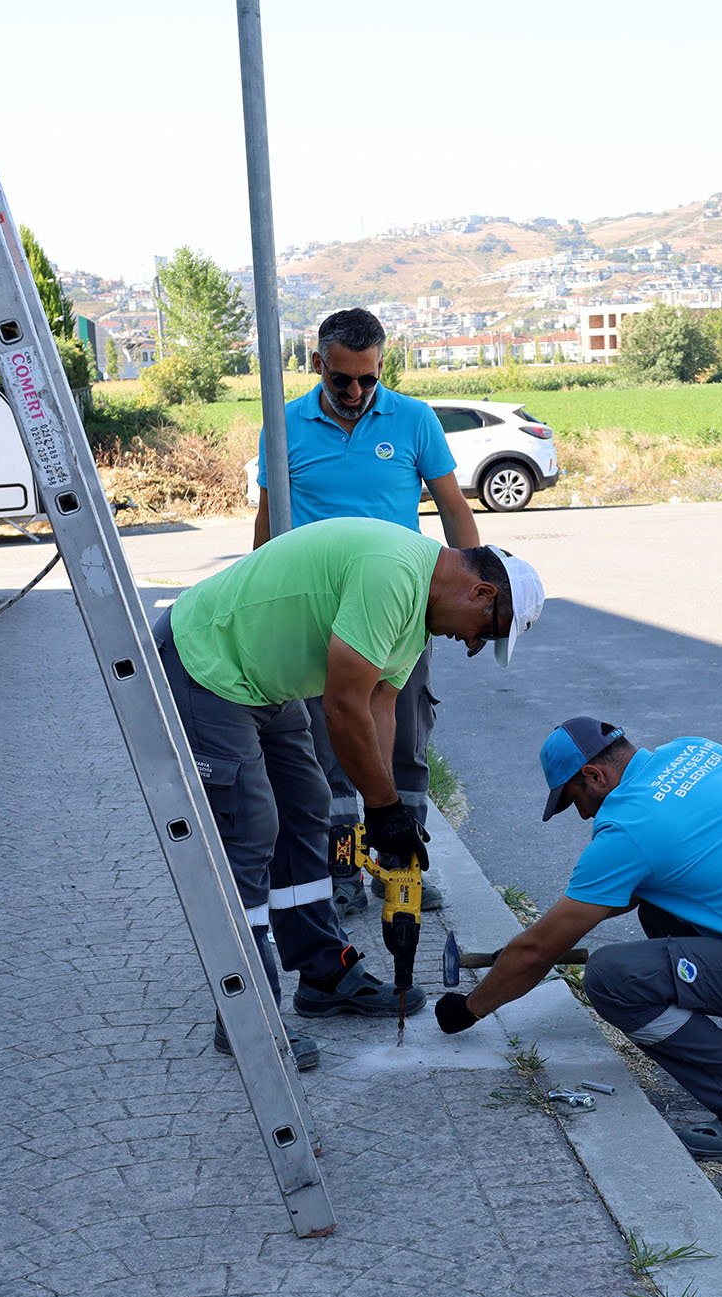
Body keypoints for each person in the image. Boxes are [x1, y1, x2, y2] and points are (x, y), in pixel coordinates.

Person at [155, 516, 543, 1062]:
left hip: (262, 682)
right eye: (486, 632)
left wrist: (386, 812)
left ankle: (323, 974)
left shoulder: (416, 615)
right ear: (482, 592)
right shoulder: (392, 574)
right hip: (206, 662)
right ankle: (246, 1016)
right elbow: (342, 706)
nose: (472, 643)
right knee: (250, 830)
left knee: (307, 810)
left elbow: (379, 706)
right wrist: (382, 807)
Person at [436, 718, 722, 1162]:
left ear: (594, 775)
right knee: (661, 910)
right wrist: (560, 930)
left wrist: (469, 1009)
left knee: (613, 979)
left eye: (574, 799)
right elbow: (641, 888)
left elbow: (537, 951)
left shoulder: (630, 830)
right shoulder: (696, 751)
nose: (583, 814)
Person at [255, 307, 478, 918]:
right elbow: (268, 523)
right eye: (341, 379)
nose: (355, 392)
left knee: (404, 739)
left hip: (401, 610)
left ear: (382, 366)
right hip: (317, 615)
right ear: (317, 364)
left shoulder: (414, 419)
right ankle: (343, 871)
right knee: (327, 746)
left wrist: (473, 585)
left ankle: (400, 869)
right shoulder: (284, 426)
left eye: (368, 378)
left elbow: (453, 508)